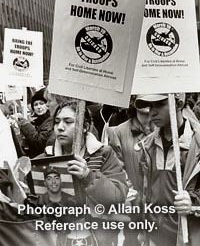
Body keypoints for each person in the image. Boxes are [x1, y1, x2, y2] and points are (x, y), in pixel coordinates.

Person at [38, 100, 128, 246]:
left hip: (98, 237)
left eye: (68, 122)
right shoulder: (45, 160)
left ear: (85, 127)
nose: (60, 127)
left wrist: (88, 176)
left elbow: (117, 198)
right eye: (56, 122)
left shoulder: (103, 154)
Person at [133, 93, 200, 246]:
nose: (152, 112)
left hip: (188, 237)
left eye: (159, 104)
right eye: (150, 106)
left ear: (179, 104)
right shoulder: (146, 146)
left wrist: (193, 201)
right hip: (154, 237)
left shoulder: (197, 144)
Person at [109, 95, 154, 246]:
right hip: (132, 205)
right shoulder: (120, 132)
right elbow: (117, 168)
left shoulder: (163, 130)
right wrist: (132, 195)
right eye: (141, 95)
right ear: (133, 101)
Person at [13, 87, 53, 158]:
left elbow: (39, 142)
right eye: (36, 104)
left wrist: (25, 124)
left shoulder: (50, 121)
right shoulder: (37, 122)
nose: (39, 107)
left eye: (41, 103)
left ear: (47, 105)